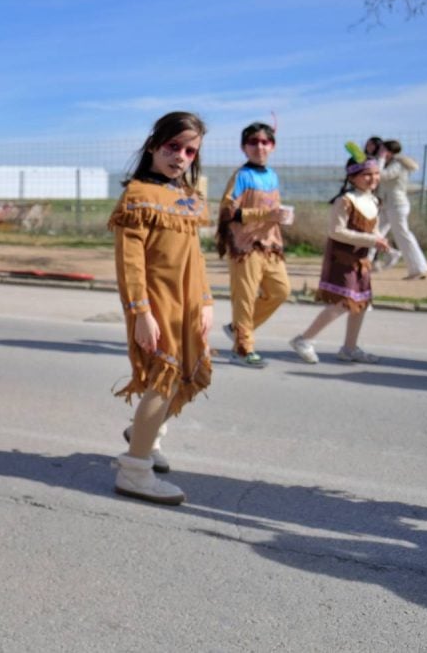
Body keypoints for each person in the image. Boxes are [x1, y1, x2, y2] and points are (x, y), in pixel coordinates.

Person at [109, 111, 213, 506]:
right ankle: (135, 469)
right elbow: (129, 264)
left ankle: (144, 436)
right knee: (164, 377)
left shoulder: (187, 198)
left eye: (190, 150)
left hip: (190, 305)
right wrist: (141, 313)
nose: (181, 156)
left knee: (194, 374)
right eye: (174, 146)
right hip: (157, 304)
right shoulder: (137, 194)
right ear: (154, 145)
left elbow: (196, 257)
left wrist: (206, 302)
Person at [290, 148, 388, 365]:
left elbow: (375, 229)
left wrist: (380, 240)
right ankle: (304, 340)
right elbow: (336, 231)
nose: (373, 178)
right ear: (352, 177)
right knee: (343, 302)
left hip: (362, 260)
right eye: (367, 174)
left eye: (376, 173)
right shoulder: (344, 200)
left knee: (360, 303)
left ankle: (349, 348)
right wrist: (372, 240)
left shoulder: (374, 201)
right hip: (342, 259)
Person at [216, 121, 292, 367]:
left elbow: (272, 209)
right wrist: (263, 216)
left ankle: (237, 328)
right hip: (244, 246)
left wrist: (279, 218)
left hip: (270, 246)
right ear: (243, 147)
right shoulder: (241, 176)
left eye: (265, 142)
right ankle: (242, 349)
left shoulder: (273, 176)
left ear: (273, 146)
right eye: (253, 142)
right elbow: (228, 212)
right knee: (245, 298)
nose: (260, 147)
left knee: (281, 291)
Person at [375, 140, 427, 280]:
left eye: (382, 150)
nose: (379, 152)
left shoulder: (397, 164)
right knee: (375, 233)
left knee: (403, 236)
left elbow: (381, 175)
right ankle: (369, 263)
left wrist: (381, 158)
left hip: (397, 206)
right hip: (388, 206)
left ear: (389, 151)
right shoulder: (392, 163)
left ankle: (418, 268)